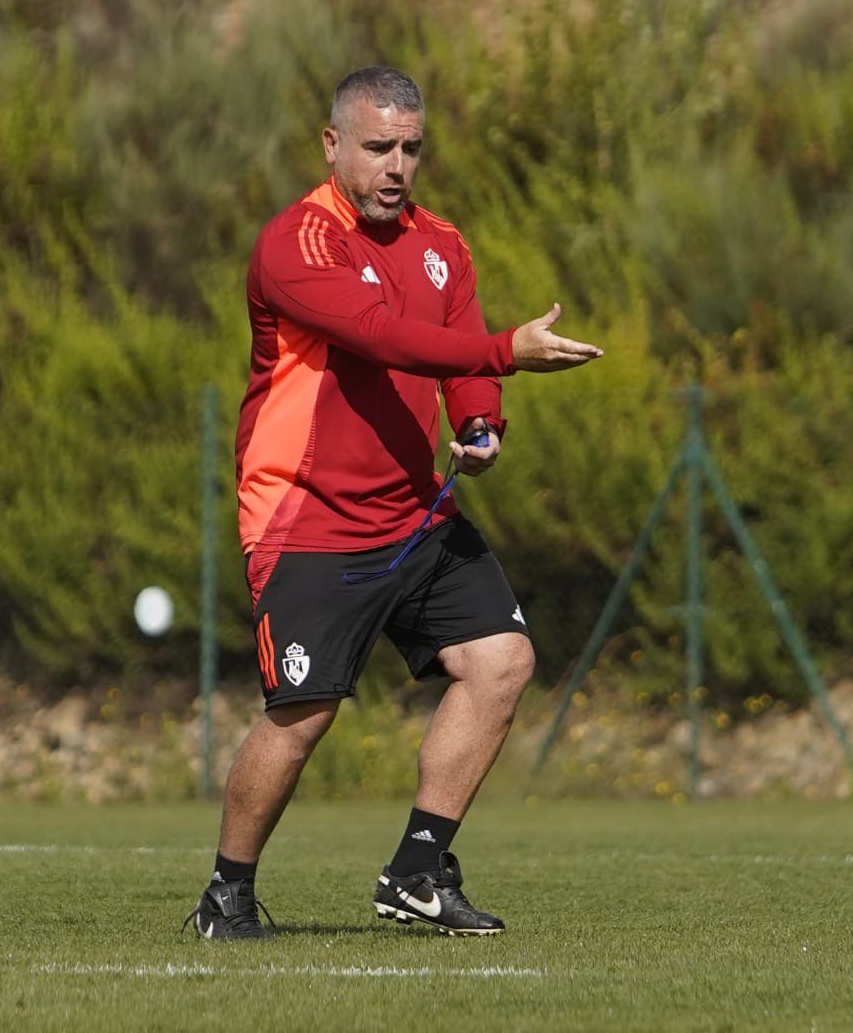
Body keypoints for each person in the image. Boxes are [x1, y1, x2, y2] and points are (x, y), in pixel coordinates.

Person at [184, 66, 602, 940]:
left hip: (416, 515)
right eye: (378, 147)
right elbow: (379, 338)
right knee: (303, 716)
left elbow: (457, 357)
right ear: (332, 145)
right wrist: (501, 352)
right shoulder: (297, 242)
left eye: (411, 148)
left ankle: (417, 870)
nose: (396, 165)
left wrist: (483, 422)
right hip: (309, 519)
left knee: (502, 662)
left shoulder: (442, 241)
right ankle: (227, 894)